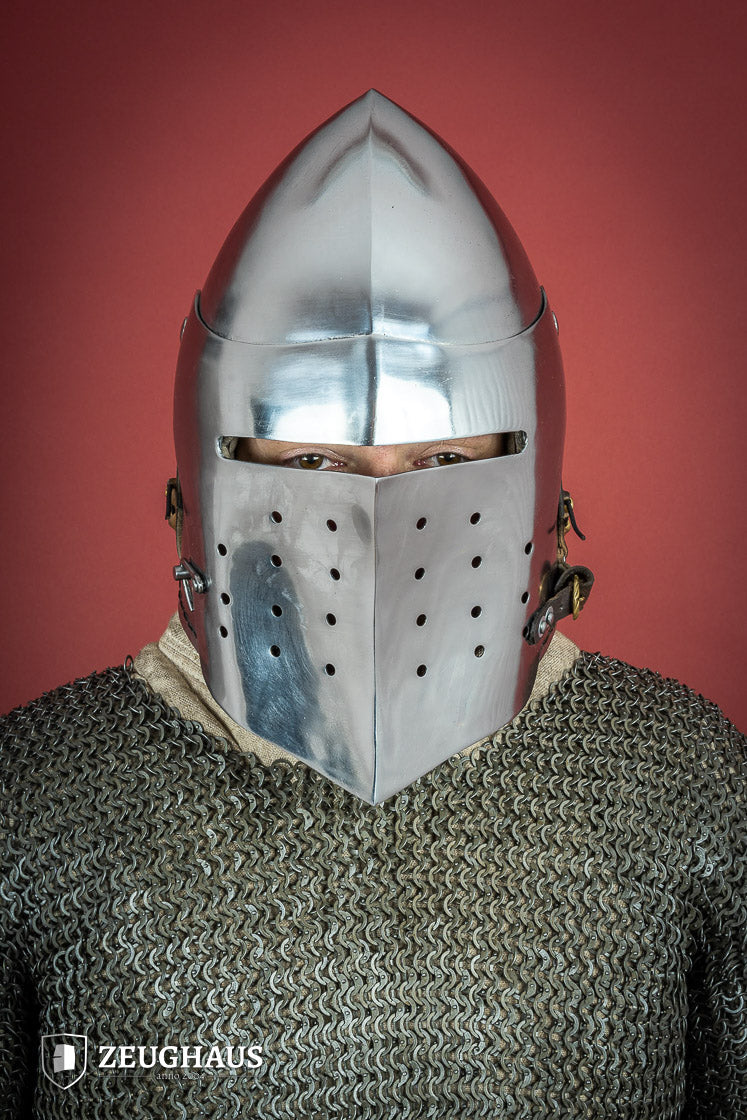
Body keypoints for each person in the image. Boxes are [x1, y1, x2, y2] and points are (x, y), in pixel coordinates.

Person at [1, 90, 744, 1117]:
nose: (382, 518)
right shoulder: (39, 798)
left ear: (542, 482)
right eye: (308, 462)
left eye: (446, 461)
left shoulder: (680, 781)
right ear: (199, 484)